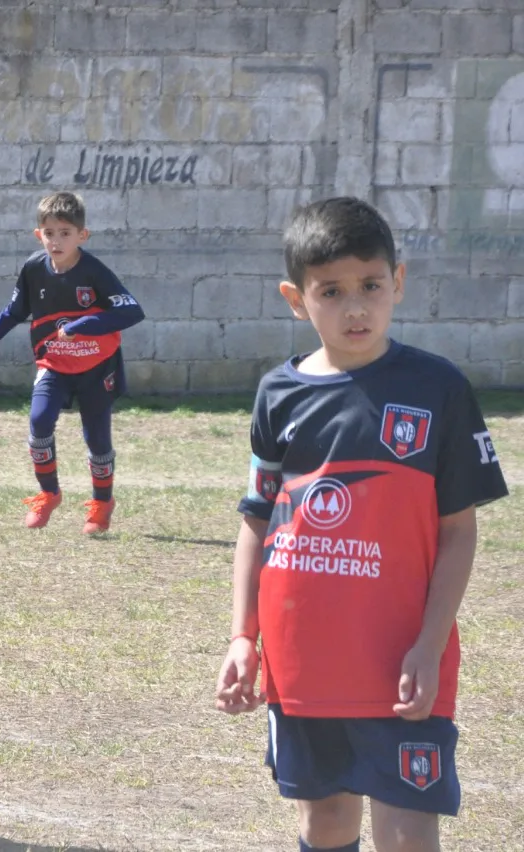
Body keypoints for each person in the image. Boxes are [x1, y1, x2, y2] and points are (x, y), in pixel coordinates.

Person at [215, 197, 508, 852]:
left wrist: (429, 645)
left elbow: (458, 530)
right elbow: (257, 520)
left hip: (401, 662)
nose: (355, 308)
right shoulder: (277, 394)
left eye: (371, 286)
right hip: (303, 659)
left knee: (407, 835)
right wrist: (243, 637)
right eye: (332, 291)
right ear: (296, 299)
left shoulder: (437, 388)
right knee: (325, 823)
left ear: (397, 282)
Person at [0, 191, 145, 533]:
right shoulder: (34, 269)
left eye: (66, 233)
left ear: (83, 235)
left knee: (97, 438)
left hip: (98, 368)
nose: (57, 240)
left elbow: (131, 311)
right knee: (39, 421)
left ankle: (101, 503)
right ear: (39, 235)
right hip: (54, 363)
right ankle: (48, 493)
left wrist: (84, 326)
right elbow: (15, 311)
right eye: (49, 233)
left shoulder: (95, 272)